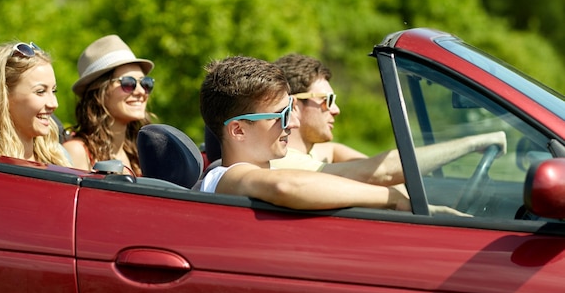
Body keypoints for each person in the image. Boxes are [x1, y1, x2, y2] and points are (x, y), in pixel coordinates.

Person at [199, 55, 466, 215]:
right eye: (281, 115)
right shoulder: (225, 176)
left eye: (291, 110)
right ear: (238, 130)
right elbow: (288, 186)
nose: (291, 124)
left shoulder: (258, 172)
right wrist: (391, 200)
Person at [270, 54, 507, 186]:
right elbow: (379, 171)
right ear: (292, 105)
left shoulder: (320, 152)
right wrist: (472, 143)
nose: (336, 109)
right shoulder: (282, 163)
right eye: (326, 100)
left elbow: (379, 169)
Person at [63, 35, 155, 175]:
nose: (141, 91)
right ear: (99, 91)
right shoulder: (77, 152)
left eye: (145, 83)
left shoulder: (138, 155)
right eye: (128, 83)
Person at [0, 41, 71, 166]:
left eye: (53, 91)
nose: (54, 104)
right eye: (40, 91)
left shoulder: (61, 157)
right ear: (3, 96)